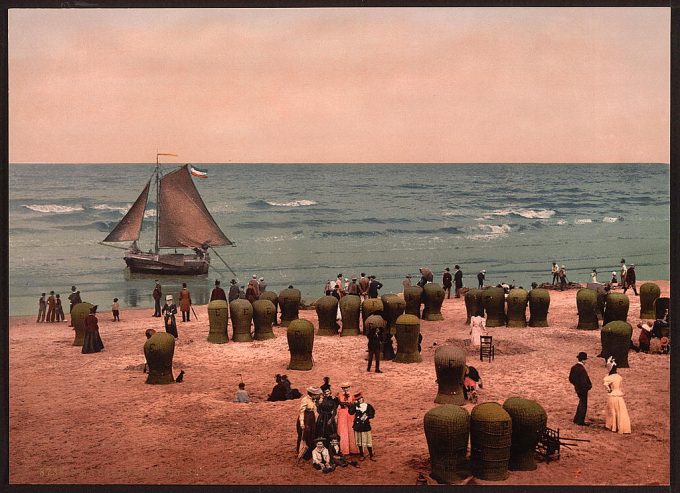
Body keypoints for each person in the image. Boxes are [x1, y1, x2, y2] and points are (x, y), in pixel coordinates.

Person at [603, 357, 631, 434]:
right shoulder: (619, 377)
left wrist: (609, 390)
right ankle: (620, 426)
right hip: (619, 395)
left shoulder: (609, 377)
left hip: (612, 395)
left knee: (612, 411)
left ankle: (613, 426)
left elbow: (605, 384)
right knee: (620, 410)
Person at [348, 391, 376, 461]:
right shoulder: (356, 407)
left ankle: (371, 454)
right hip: (358, 426)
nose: (359, 400)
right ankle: (362, 454)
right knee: (359, 441)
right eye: (357, 400)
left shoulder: (367, 406)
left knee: (368, 441)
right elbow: (351, 413)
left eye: (360, 399)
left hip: (365, 426)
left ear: (362, 398)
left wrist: (367, 417)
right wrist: (352, 406)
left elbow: (372, 414)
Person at [297, 387, 321, 461]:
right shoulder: (305, 400)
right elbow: (302, 411)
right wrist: (302, 422)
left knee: (312, 434)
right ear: (313, 394)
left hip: (311, 417)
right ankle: (303, 452)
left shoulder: (314, 400)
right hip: (306, 417)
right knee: (305, 434)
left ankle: (309, 452)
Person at [568, 352, 592, 426]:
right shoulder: (582, 369)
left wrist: (576, 385)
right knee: (583, 404)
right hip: (583, 389)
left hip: (577, 388)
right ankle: (580, 421)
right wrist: (588, 387)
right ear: (583, 360)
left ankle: (577, 419)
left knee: (581, 403)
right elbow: (584, 381)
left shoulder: (574, 367)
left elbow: (570, 379)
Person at [336, 382, 359, 456]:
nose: (345, 389)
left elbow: (355, 404)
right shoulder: (339, 395)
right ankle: (344, 450)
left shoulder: (352, 395)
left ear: (349, 387)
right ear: (342, 388)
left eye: (347, 387)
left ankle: (353, 449)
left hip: (350, 414)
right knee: (343, 431)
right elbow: (337, 404)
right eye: (344, 388)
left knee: (351, 430)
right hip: (342, 414)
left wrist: (350, 405)